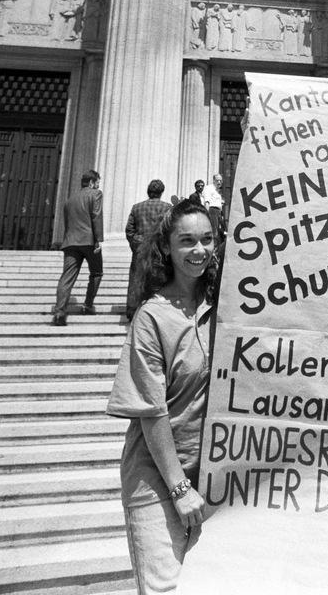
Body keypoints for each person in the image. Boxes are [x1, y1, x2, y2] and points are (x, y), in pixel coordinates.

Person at [107, 199, 220, 595]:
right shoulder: (151, 318)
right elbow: (150, 411)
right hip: (158, 478)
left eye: (207, 239)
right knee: (165, 590)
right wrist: (178, 488)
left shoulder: (227, 308)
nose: (198, 250)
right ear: (167, 249)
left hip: (215, 475)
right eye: (186, 241)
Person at [51, 170, 103, 326]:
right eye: (98, 182)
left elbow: (67, 223)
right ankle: (88, 306)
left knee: (67, 277)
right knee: (96, 272)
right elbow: (96, 216)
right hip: (88, 241)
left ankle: (60, 313)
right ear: (92, 182)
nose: (98, 185)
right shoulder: (96, 194)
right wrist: (98, 239)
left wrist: (67, 240)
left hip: (71, 242)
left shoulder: (69, 200)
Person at [124, 180, 172, 320]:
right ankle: (156, 309)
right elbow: (169, 228)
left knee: (136, 278)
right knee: (158, 278)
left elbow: (129, 230)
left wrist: (136, 245)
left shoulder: (136, 207)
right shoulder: (167, 207)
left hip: (140, 248)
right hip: (158, 249)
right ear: (161, 192)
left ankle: (132, 309)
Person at [202, 173, 226, 243]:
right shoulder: (209, 188)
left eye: (220, 181)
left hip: (218, 212)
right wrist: (207, 214)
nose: (219, 182)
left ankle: (216, 249)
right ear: (213, 180)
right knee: (214, 231)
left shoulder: (217, 190)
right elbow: (207, 202)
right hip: (212, 211)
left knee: (219, 232)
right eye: (217, 180)